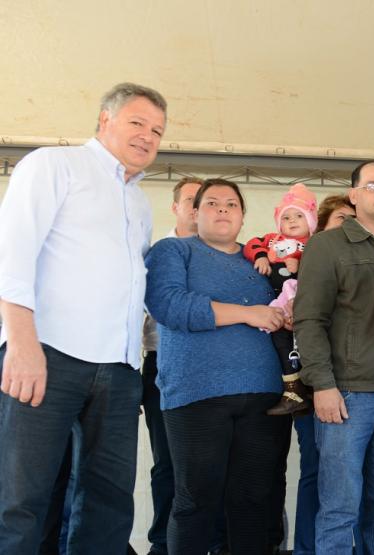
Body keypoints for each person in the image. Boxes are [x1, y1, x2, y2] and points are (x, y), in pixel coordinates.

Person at [0, 82, 166, 554]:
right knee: (22, 500)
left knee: (108, 506)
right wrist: (22, 345)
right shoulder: (54, 165)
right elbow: (11, 256)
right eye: (137, 122)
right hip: (47, 355)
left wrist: (132, 365)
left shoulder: (139, 202)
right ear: (105, 120)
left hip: (118, 369)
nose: (148, 136)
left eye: (157, 130)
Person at [145, 178, 287, 554]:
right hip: (195, 394)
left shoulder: (262, 262)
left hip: (264, 397)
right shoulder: (173, 251)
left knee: (253, 501)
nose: (223, 208)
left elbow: (286, 306)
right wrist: (249, 313)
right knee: (195, 501)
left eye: (231, 204)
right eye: (212, 202)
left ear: (242, 216)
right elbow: (171, 305)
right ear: (195, 212)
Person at [294, 161, 374, 553]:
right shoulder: (327, 245)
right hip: (346, 394)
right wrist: (322, 385)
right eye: (373, 185)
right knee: (339, 507)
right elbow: (309, 320)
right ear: (354, 194)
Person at [140, 176, 203, 554]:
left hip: (212, 369)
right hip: (162, 366)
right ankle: (162, 544)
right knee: (167, 462)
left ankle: (209, 542)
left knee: (210, 464)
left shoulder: (229, 254)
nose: (198, 206)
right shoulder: (156, 253)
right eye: (191, 199)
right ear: (175, 207)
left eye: (204, 199)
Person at [244, 183, 318, 415]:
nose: (292, 221)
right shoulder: (271, 240)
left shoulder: (316, 243)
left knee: (306, 346)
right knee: (280, 343)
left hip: (305, 308)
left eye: (299, 215)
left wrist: (301, 263)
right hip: (279, 307)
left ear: (311, 220)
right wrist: (261, 256)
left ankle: (309, 389)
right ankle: (292, 388)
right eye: (286, 217)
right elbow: (251, 244)